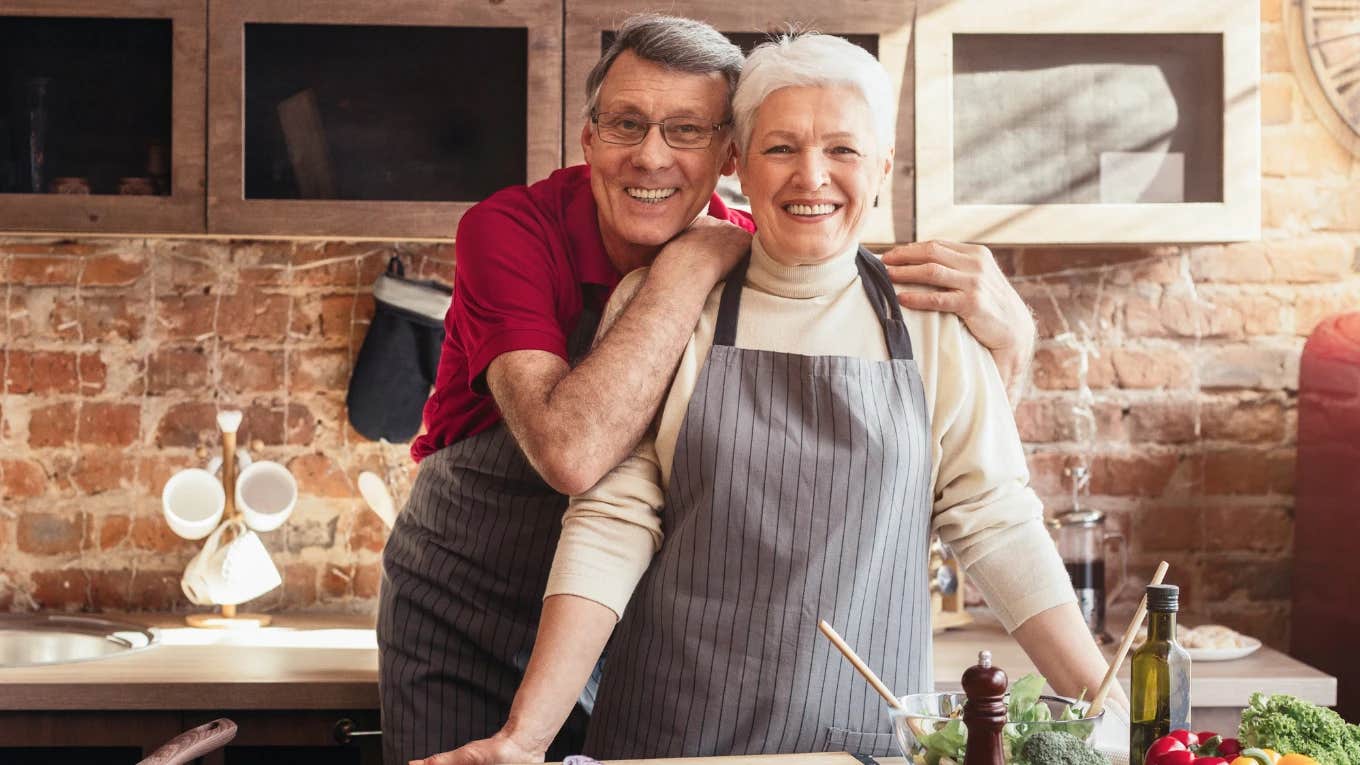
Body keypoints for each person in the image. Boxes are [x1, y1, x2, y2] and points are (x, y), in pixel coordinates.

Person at [417, 32, 1120, 765]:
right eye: (781, 148)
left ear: (882, 167)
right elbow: (611, 520)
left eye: (843, 150)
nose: (811, 177)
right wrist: (523, 739)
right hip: (670, 735)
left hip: (869, 740)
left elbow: (996, 521)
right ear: (740, 166)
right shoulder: (664, 306)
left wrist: (1111, 707)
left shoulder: (935, 322)